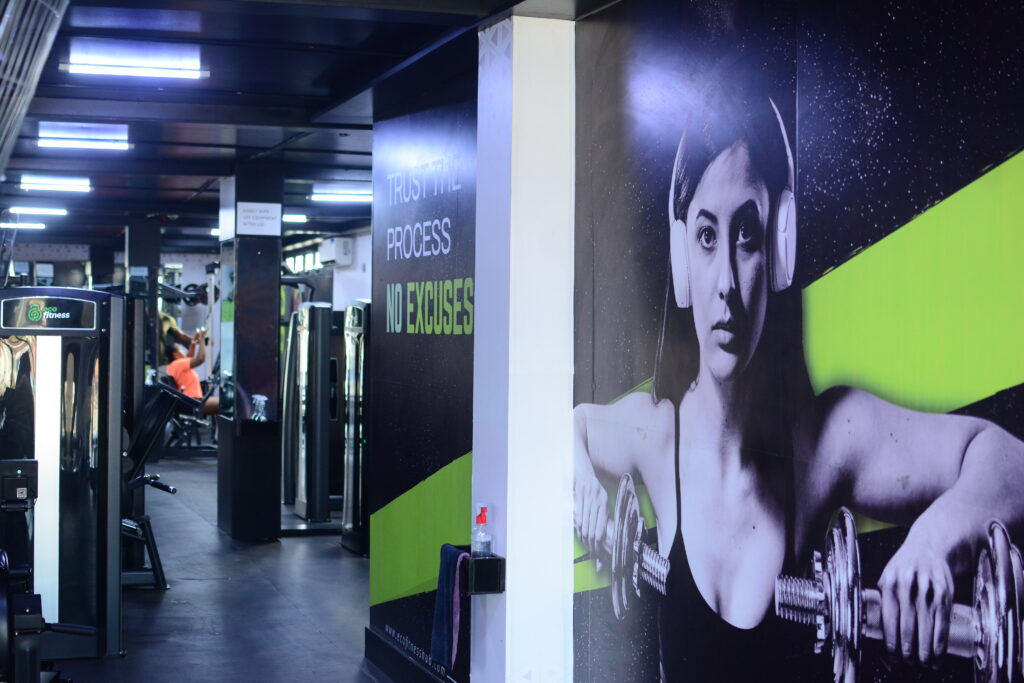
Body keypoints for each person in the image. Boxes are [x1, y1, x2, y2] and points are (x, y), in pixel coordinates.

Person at [573, 87, 1024, 680]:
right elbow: (572, 428)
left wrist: (934, 540)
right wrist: (584, 488)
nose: (726, 283)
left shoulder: (827, 441)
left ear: (779, 248)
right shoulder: (658, 436)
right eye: (707, 237)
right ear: (683, 260)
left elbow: (1009, 462)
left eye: (747, 236)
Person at [167, 331, 219, 416]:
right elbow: (200, 359)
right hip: (192, 401)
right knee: (225, 403)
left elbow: (189, 356)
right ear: (176, 355)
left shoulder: (174, 365)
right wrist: (202, 339)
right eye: (181, 350)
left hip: (189, 400)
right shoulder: (178, 364)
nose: (183, 351)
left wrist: (193, 343)